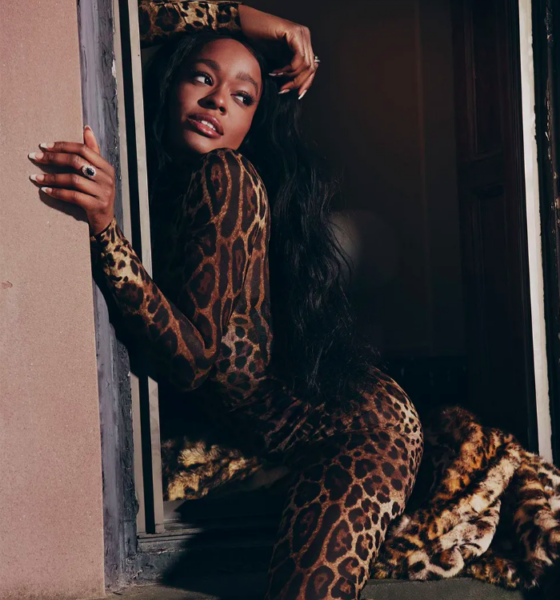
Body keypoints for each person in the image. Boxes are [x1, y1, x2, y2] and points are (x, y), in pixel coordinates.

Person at [28, 2, 423, 598]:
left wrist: (106, 233)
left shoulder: (226, 177)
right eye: (202, 77)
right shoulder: (171, 187)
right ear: (169, 86)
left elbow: (191, 361)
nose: (217, 101)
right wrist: (256, 21)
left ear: (251, 126)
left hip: (364, 432)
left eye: (242, 97)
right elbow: (124, 17)